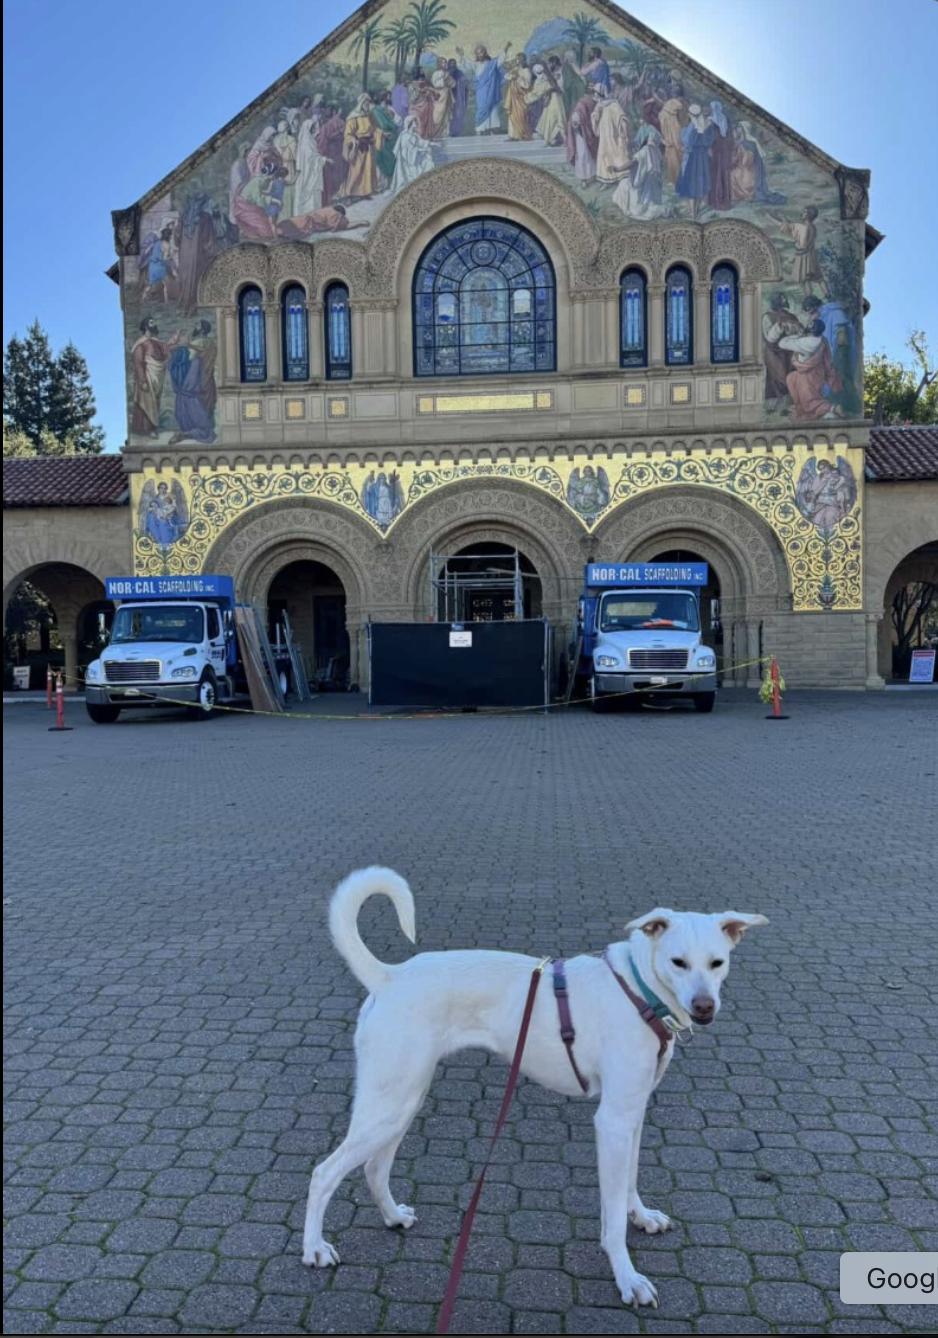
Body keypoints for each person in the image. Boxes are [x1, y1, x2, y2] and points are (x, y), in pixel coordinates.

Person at [802, 294, 859, 414]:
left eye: (811, 311)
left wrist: (839, 354)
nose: (811, 315)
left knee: (842, 377)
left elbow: (842, 334)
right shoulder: (822, 316)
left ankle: (851, 406)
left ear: (816, 307)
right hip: (832, 353)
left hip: (840, 352)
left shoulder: (834, 312)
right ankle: (837, 404)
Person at [779, 319, 842, 419]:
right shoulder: (822, 340)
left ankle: (832, 408)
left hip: (807, 375)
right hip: (818, 373)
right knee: (791, 377)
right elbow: (827, 361)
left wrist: (798, 335)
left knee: (809, 401)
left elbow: (782, 343)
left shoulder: (806, 342)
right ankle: (807, 408)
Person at [168, 320, 217, 445]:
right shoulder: (208, 343)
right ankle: (192, 431)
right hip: (202, 380)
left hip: (196, 381)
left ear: (202, 329)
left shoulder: (200, 343)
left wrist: (186, 345)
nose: (195, 326)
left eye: (198, 325)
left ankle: (191, 432)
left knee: (195, 405)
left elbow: (190, 360)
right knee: (198, 405)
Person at [131, 318, 180, 437]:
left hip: (157, 378)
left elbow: (166, 348)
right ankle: (147, 429)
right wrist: (142, 380)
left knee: (154, 403)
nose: (154, 324)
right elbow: (138, 363)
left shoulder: (156, 342)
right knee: (147, 402)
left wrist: (174, 339)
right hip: (147, 378)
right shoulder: (140, 344)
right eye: (151, 322)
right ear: (146, 326)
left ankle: (152, 427)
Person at [770, 206, 826, 296]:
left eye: (804, 212)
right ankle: (828, 296)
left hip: (804, 257)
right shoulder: (812, 227)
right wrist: (784, 219)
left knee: (805, 280)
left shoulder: (804, 228)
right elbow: (791, 227)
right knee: (819, 279)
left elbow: (802, 245)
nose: (802, 214)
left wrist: (795, 250)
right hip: (811, 256)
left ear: (808, 215)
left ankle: (809, 298)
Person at [456, 43, 508, 135]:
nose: (480, 55)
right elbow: (467, 64)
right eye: (477, 53)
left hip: (491, 89)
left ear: (485, 53)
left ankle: (492, 127)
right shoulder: (476, 64)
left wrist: (505, 48)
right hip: (481, 90)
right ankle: (480, 128)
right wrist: (461, 55)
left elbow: (500, 60)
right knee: (482, 108)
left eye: (481, 52)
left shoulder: (491, 63)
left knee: (492, 108)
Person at [761, 292, 803, 406]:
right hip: (774, 353)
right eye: (781, 299)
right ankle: (775, 404)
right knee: (777, 377)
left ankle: (790, 403)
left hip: (789, 352)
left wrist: (794, 329)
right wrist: (779, 327)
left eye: (784, 299)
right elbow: (769, 338)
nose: (784, 301)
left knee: (791, 375)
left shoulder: (791, 316)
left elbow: (800, 331)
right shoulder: (768, 317)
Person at [677, 103, 716, 217]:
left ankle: (692, 212)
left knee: (691, 184)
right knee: (700, 184)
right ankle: (696, 211)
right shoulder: (709, 125)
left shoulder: (692, 127)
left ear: (691, 115)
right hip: (703, 158)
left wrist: (684, 133)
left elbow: (687, 141)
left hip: (693, 158)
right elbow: (709, 141)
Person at [341, 94, 383, 200]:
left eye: (368, 103)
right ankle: (350, 192)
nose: (368, 105)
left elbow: (375, 128)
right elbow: (348, 134)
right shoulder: (353, 117)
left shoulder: (369, 115)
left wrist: (381, 134)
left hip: (368, 145)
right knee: (357, 169)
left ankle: (365, 192)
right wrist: (353, 140)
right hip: (359, 146)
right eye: (366, 103)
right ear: (361, 103)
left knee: (368, 169)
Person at [591, 86, 630, 183]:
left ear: (601, 94)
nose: (595, 96)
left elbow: (621, 118)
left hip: (614, 137)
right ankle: (606, 179)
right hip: (604, 137)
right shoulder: (599, 106)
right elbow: (595, 120)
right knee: (603, 156)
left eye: (596, 93)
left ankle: (619, 176)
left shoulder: (613, 105)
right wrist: (596, 114)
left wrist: (624, 132)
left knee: (616, 155)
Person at [389, 115, 435, 194]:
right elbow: (408, 151)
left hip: (412, 159)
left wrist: (432, 144)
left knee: (427, 161)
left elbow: (421, 143)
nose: (416, 124)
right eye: (414, 122)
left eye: (416, 122)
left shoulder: (414, 135)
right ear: (409, 123)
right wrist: (422, 150)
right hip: (406, 162)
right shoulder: (404, 135)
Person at [527, 58, 566, 145]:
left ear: (554, 63)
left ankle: (561, 139)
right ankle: (550, 139)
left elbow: (557, 88)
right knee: (549, 118)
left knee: (556, 118)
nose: (549, 65)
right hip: (553, 98)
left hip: (556, 98)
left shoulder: (557, 74)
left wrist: (549, 90)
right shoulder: (552, 74)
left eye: (550, 63)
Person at [293, 115, 327, 215]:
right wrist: (323, 159)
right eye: (311, 128)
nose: (313, 130)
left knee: (314, 198)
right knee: (310, 198)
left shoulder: (310, 141)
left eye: (313, 127)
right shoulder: (306, 143)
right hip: (308, 175)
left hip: (312, 174)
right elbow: (310, 159)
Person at [565, 87, 598, 183]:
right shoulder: (584, 104)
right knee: (583, 155)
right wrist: (578, 125)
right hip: (582, 134)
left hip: (586, 133)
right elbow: (576, 119)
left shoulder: (586, 103)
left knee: (586, 155)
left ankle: (589, 176)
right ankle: (584, 177)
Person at [276, 203, 367, 238]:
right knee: (297, 227)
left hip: (305, 218)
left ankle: (279, 230)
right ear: (340, 213)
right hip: (309, 222)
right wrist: (360, 222)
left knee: (293, 223)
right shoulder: (335, 214)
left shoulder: (328, 209)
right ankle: (280, 231)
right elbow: (344, 225)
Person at [316, 106, 347, 205]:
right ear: (334, 112)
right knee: (332, 174)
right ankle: (332, 196)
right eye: (338, 111)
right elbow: (327, 137)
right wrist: (339, 132)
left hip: (339, 150)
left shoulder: (341, 122)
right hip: (332, 151)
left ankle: (338, 193)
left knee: (340, 172)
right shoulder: (328, 125)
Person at [656, 88, 687, 185]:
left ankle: (674, 179)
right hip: (677, 131)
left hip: (669, 133)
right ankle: (680, 177)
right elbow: (684, 120)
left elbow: (661, 116)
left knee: (672, 153)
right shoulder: (679, 104)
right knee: (678, 152)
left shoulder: (668, 106)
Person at [707, 100, 733, 211]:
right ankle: (720, 200)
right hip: (721, 149)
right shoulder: (723, 120)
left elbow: (709, 136)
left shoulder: (713, 120)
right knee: (719, 173)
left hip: (718, 149)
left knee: (718, 174)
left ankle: (718, 201)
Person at [371, 90, 400, 183]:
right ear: (383, 98)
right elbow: (383, 125)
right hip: (383, 138)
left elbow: (396, 120)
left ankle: (391, 181)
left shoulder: (387, 108)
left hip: (392, 138)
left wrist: (394, 124)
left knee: (393, 158)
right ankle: (385, 181)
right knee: (385, 159)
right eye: (388, 97)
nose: (390, 98)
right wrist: (393, 125)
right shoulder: (376, 110)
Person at [503, 52, 533, 141]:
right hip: (513, 96)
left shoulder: (527, 71)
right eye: (517, 59)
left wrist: (518, 78)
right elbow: (506, 76)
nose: (518, 61)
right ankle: (513, 135)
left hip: (521, 97)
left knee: (521, 115)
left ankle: (522, 134)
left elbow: (527, 85)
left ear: (524, 60)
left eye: (520, 59)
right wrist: (512, 76)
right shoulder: (515, 69)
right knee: (512, 115)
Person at [273, 118, 298, 219]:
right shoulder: (290, 140)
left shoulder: (277, 140)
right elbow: (294, 155)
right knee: (284, 191)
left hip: (286, 168)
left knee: (286, 191)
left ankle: (287, 216)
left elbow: (293, 155)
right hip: (284, 168)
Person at [228, 143, 251, 226]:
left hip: (246, 188)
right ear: (244, 152)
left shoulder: (244, 162)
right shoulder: (238, 164)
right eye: (248, 151)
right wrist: (244, 186)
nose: (249, 153)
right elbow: (237, 181)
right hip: (240, 191)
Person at [447, 58, 468, 136]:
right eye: (451, 63)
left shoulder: (460, 73)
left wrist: (462, 83)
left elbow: (464, 82)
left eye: (454, 63)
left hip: (458, 96)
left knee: (458, 114)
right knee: (449, 114)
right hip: (448, 96)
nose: (452, 65)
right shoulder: (446, 73)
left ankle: (457, 131)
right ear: (448, 64)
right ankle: (448, 131)